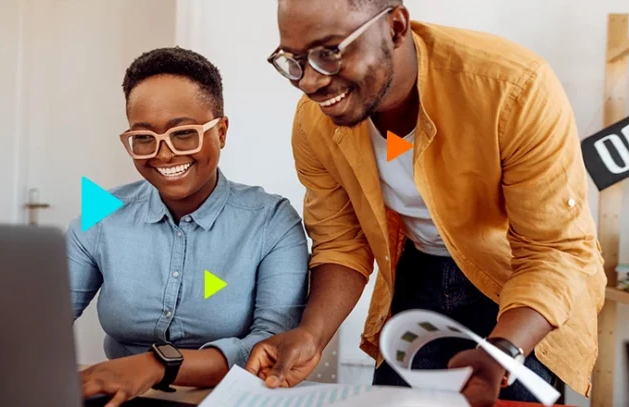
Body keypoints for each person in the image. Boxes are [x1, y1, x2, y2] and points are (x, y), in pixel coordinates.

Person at [245, 1, 606, 406]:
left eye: (329, 53)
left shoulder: (513, 88)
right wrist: (311, 335)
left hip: (516, 285)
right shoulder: (315, 121)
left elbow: (551, 250)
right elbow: (341, 243)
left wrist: (503, 351)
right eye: (293, 61)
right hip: (415, 273)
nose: (309, 82)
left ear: (396, 26)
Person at [69, 47, 310, 407]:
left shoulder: (271, 221)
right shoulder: (103, 214)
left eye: (183, 133)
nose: (163, 154)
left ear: (222, 132)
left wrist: (154, 366)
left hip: (228, 400)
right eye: (144, 138)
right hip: (119, 398)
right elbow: (41, 319)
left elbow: (270, 347)